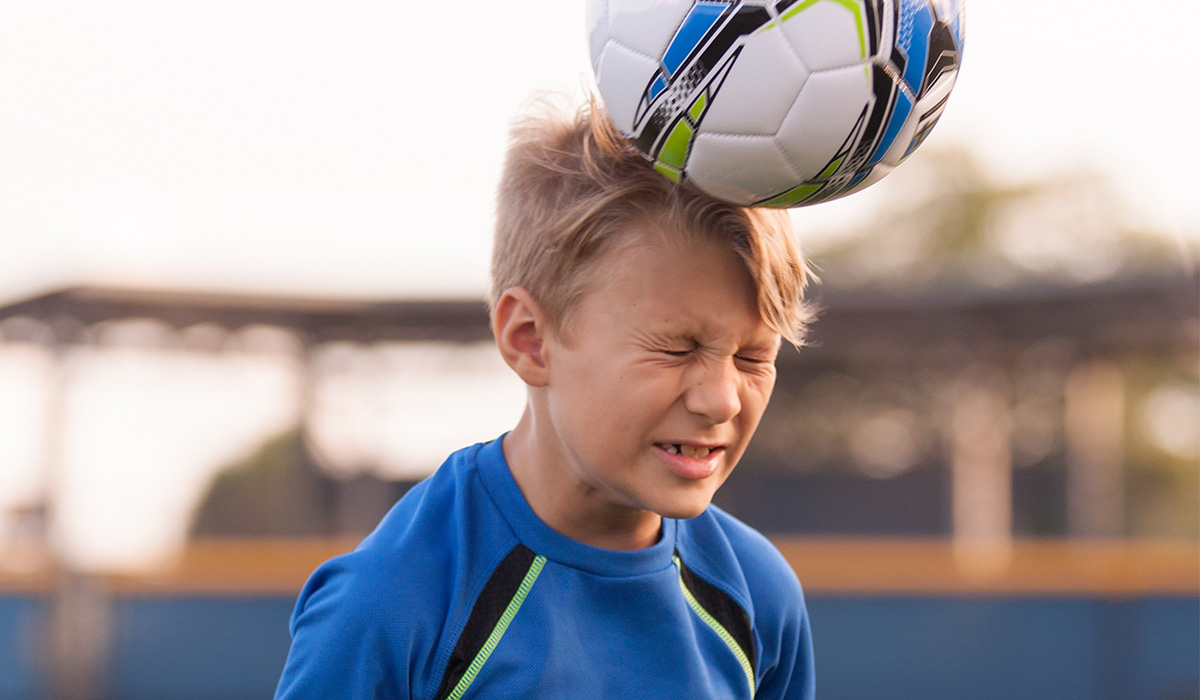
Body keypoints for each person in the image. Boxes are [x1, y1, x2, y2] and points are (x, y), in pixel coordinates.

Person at [273, 97, 817, 700]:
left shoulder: (759, 597)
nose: (722, 400)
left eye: (753, 357)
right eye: (675, 349)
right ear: (530, 341)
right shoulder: (392, 604)